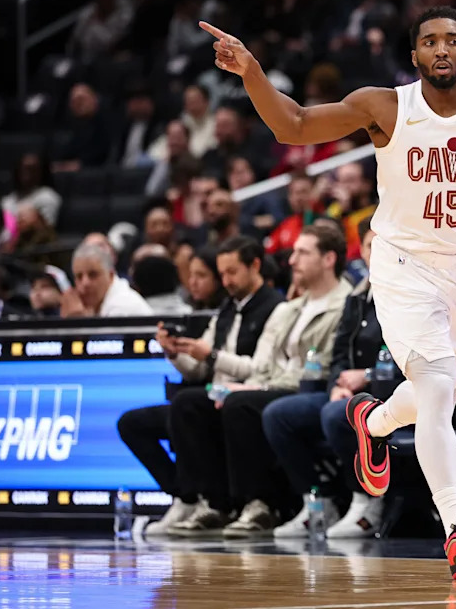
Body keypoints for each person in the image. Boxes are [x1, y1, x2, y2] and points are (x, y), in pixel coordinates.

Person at [201, 4, 456, 578]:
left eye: (453, 40)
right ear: (415, 55)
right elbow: (293, 126)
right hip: (400, 264)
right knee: (434, 382)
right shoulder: (385, 106)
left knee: (438, 398)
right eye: (430, 41)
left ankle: (370, 423)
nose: (441, 49)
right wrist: (252, 70)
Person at [167, 224, 352, 538]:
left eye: (302, 253)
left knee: (241, 404)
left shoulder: (346, 303)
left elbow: (323, 366)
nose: (291, 260)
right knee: (192, 401)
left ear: (329, 259)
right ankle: (213, 502)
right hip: (273, 384)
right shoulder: (288, 308)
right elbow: (263, 364)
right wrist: (245, 383)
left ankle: (261, 503)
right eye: (293, 252)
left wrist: (255, 387)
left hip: (308, 388)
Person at [119, 236, 283, 536]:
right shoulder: (226, 310)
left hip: (250, 394)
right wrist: (174, 352)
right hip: (217, 394)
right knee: (133, 422)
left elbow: (258, 369)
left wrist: (213, 355)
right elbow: (197, 367)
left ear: (255, 265)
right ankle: (187, 496)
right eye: (222, 274)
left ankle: (232, 502)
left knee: (192, 402)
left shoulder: (275, 308)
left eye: (232, 272)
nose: (226, 280)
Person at [263, 221, 389, 539]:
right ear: (362, 252)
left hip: (391, 392)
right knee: (279, 415)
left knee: (337, 414)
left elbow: (408, 358)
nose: (379, 252)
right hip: (350, 393)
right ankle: (319, 499)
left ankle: (369, 501)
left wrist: (368, 377)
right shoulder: (358, 298)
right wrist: (337, 385)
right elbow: (339, 356)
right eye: (372, 246)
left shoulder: (407, 296)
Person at [60, 244, 153, 317]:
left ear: (111, 275)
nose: (85, 283)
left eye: (93, 275)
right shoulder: (100, 302)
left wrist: (78, 322)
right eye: (79, 276)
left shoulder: (121, 307)